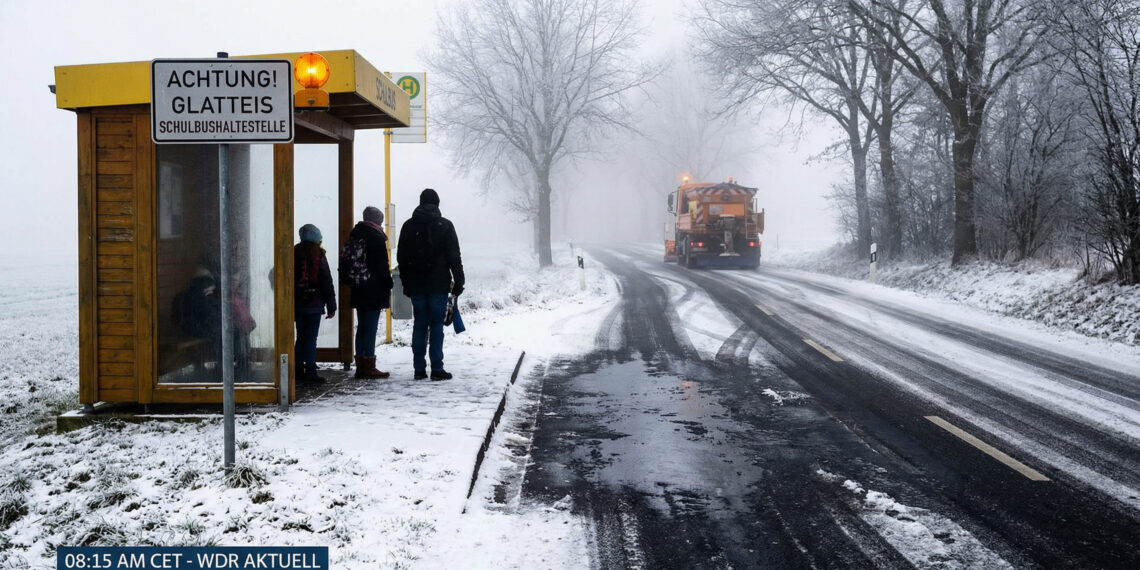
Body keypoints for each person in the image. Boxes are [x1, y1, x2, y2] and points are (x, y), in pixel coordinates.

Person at [397, 188, 465, 380]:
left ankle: (419, 369)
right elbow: (454, 256)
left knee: (419, 324)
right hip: (438, 285)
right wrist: (459, 280)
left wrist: (406, 282)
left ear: (420, 202)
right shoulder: (445, 225)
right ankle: (437, 368)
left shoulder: (408, 226)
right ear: (437, 203)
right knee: (436, 325)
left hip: (417, 286)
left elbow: (401, 257)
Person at [347, 206, 394, 379]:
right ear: (376, 221)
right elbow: (382, 266)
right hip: (373, 288)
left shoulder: (356, 233)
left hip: (359, 287)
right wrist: (388, 283)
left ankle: (360, 365)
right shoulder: (375, 237)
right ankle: (369, 365)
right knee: (371, 327)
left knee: (362, 327)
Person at [294, 224, 337, 384]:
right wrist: (331, 306)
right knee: (311, 338)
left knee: (300, 337)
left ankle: (297, 369)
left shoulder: (294, 252)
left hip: (298, 303)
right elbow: (326, 281)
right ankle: (311, 371)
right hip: (314, 303)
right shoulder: (318, 254)